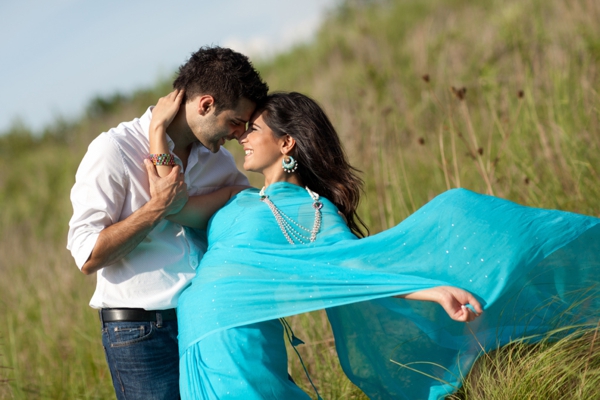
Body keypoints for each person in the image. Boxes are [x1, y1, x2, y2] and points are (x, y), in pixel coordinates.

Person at [148, 91, 600, 399]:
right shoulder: (235, 196)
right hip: (195, 338)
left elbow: (356, 266)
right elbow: (168, 204)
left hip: (236, 336)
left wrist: (433, 291)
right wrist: (156, 134)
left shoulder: (314, 210)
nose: (242, 136)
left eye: (254, 129)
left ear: (285, 142)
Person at [66, 46, 268, 400]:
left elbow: (241, 201)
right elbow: (87, 255)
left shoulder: (217, 160)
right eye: (235, 121)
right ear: (205, 104)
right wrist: (156, 207)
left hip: (205, 322)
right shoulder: (113, 150)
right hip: (141, 332)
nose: (238, 134)